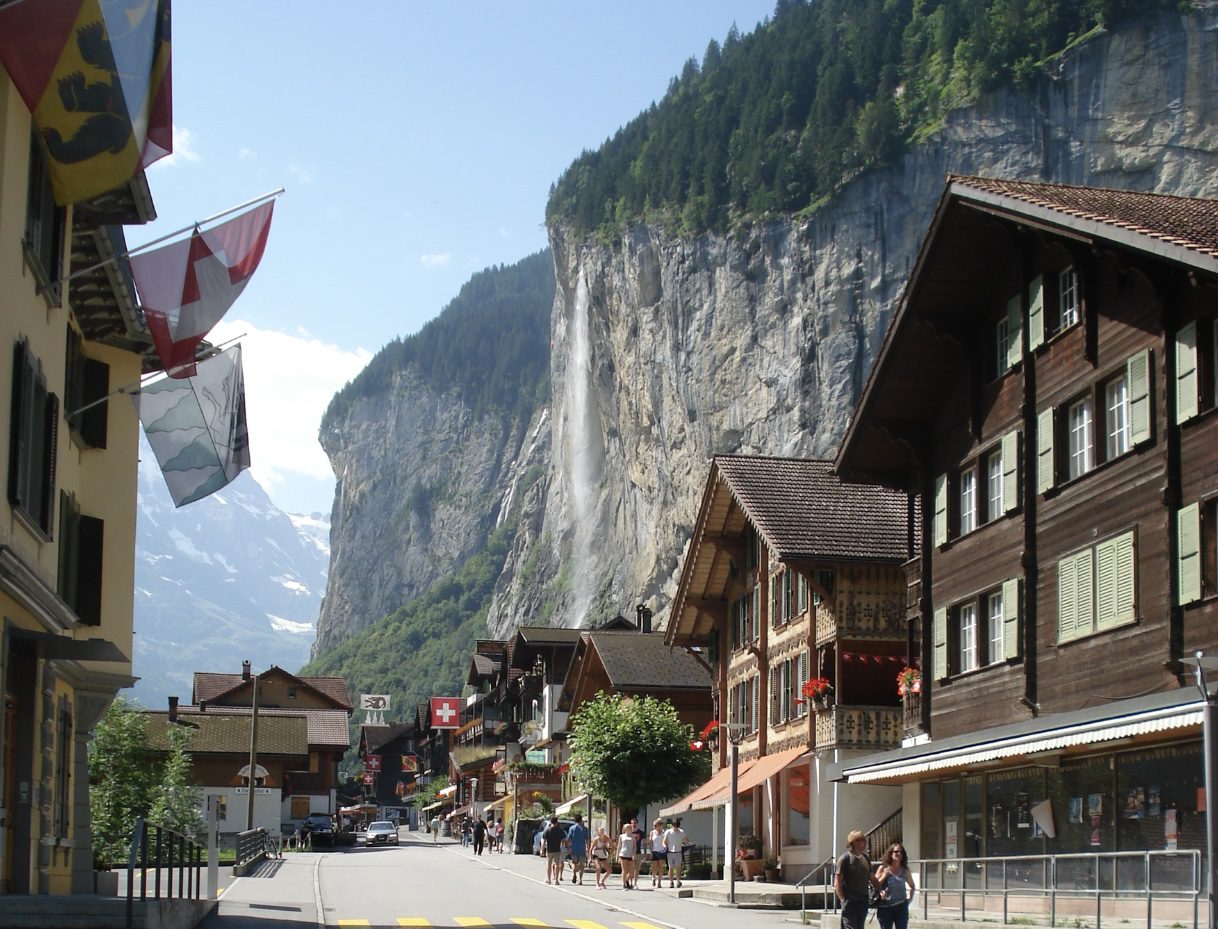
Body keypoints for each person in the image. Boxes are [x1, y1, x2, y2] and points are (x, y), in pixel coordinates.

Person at [835, 830, 882, 929]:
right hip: (850, 902)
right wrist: (843, 900)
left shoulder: (865, 858)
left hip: (863, 901)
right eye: (859, 840)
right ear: (852, 843)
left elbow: (872, 877)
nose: (862, 843)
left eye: (863, 840)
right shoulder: (845, 859)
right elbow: (837, 882)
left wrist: (880, 889)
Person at [874, 843, 916, 929]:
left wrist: (910, 899)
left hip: (901, 906)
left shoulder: (905, 870)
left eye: (901, 852)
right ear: (891, 853)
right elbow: (875, 885)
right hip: (885, 907)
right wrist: (884, 875)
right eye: (896, 851)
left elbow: (912, 885)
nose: (899, 854)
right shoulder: (882, 868)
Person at [663, 817, 687, 888]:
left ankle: (678, 881)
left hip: (678, 852)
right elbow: (664, 841)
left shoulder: (681, 832)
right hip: (670, 852)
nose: (675, 827)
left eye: (677, 825)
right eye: (674, 825)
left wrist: (688, 844)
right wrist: (664, 846)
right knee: (671, 868)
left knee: (678, 867)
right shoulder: (668, 832)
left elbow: (685, 840)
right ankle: (671, 882)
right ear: (672, 825)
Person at [566, 813, 590, 885]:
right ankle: (580, 880)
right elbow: (588, 840)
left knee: (574, 863)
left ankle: (574, 874)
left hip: (574, 848)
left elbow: (569, 839)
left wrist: (568, 848)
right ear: (581, 819)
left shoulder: (572, 828)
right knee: (582, 865)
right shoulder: (585, 829)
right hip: (582, 849)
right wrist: (588, 849)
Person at [543, 815, 567, 884]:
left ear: (551, 822)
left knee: (549, 865)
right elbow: (563, 841)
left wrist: (542, 849)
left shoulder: (547, 830)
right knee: (557, 864)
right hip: (557, 849)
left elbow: (544, 841)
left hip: (549, 850)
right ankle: (556, 880)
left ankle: (549, 879)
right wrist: (563, 847)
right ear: (556, 822)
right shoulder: (560, 830)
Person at [617, 821, 638, 889]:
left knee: (631, 871)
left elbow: (635, 846)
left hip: (630, 855)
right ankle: (624, 884)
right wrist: (617, 856)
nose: (630, 828)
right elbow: (619, 846)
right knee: (624, 870)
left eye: (630, 827)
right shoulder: (621, 836)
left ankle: (626, 880)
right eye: (628, 827)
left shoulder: (633, 836)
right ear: (625, 829)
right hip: (623, 854)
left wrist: (634, 854)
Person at [648, 818, 667, 887]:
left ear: (660, 825)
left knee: (661, 867)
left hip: (661, 851)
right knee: (654, 867)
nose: (654, 827)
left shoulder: (664, 832)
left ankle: (659, 882)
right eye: (654, 826)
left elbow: (666, 841)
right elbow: (650, 842)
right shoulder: (652, 832)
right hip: (654, 851)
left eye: (655, 825)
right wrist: (651, 852)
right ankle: (653, 878)